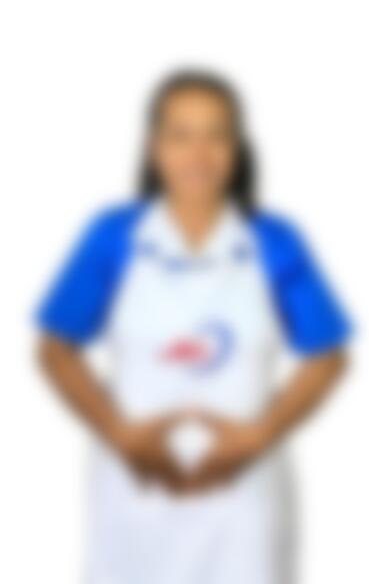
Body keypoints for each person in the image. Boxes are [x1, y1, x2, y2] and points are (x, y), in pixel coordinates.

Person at [36, 70, 351, 584]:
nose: (198, 154)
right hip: (134, 485)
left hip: (244, 495)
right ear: (154, 147)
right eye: (181, 135)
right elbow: (56, 347)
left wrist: (257, 437)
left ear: (237, 148)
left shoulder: (274, 240)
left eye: (216, 135)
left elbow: (328, 354)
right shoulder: (114, 235)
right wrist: (119, 434)